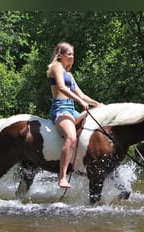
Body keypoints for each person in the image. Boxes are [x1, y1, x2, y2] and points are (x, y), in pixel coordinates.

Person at [47, 42, 101, 188]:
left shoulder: (69, 74)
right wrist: (79, 101)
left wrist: (99, 105)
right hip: (60, 109)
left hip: (71, 110)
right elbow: (61, 87)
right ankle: (62, 178)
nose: (71, 57)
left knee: (93, 132)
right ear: (60, 55)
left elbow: (82, 94)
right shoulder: (56, 67)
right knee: (71, 137)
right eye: (68, 54)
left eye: (73, 54)